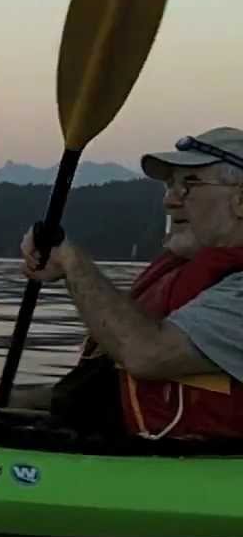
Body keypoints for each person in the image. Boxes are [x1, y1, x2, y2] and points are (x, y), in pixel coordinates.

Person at [21, 127, 243, 440]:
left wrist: (72, 263)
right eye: (169, 185)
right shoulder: (201, 283)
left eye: (189, 184)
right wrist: (19, 403)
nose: (169, 200)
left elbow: (145, 354)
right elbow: (110, 384)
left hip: (185, 470)